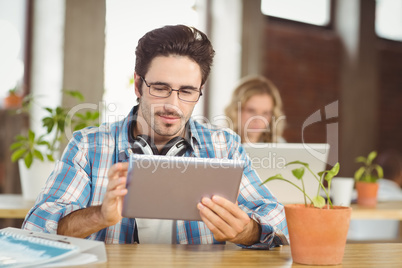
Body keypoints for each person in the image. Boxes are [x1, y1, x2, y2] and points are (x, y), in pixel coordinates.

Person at [22, 25, 288, 248]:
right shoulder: (88, 145)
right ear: (138, 85)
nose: (173, 104)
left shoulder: (224, 145)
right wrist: (98, 216)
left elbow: (276, 217)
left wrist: (247, 231)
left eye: (187, 91)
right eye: (160, 88)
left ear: (200, 91)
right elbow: (35, 228)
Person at [224, 75, 286, 143]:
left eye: (265, 113)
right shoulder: (217, 145)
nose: (258, 119)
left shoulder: (280, 145)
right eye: (251, 111)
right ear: (236, 110)